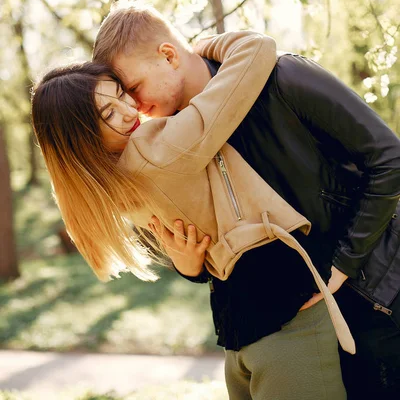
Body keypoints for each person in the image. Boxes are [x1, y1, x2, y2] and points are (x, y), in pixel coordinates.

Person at [92, 0, 400, 400]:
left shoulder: (283, 77)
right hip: (296, 334)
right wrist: (191, 267)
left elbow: (389, 159)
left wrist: (344, 263)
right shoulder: (174, 142)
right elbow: (226, 247)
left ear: (167, 55)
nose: (133, 106)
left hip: (374, 298)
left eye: (132, 89)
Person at [32, 27, 349, 400]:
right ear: (82, 138)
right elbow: (257, 51)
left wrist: (190, 266)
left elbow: (198, 248)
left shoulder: (114, 189)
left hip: (241, 336)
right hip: (286, 322)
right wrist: (196, 49)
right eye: (108, 113)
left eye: (123, 94)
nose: (131, 111)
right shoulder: (155, 150)